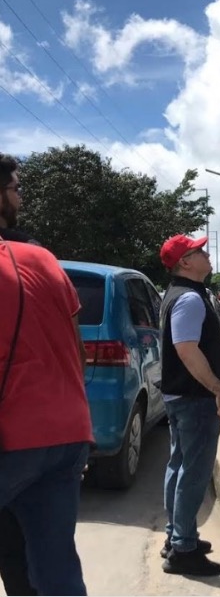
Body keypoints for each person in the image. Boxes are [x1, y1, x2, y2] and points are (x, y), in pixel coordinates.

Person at [0, 195, 93, 594]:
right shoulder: (43, 259)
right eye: (16, 187)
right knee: (56, 566)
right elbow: (80, 353)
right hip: (67, 434)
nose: (20, 196)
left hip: (11, 436)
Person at [159, 234, 220, 576]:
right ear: (185, 263)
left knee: (179, 466)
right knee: (194, 472)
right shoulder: (188, 298)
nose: (206, 255)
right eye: (199, 251)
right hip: (194, 399)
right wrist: (219, 391)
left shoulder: (183, 294)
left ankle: (177, 536)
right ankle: (183, 550)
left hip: (182, 397)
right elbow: (187, 350)